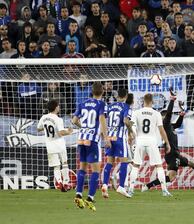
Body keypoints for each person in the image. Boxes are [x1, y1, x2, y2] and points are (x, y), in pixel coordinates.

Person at [142, 89, 194, 192]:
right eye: (164, 116)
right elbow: (168, 114)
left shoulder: (170, 126)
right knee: (171, 177)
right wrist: (172, 100)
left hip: (175, 154)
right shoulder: (165, 124)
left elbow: (177, 124)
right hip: (172, 154)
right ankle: (148, 186)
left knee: (192, 163)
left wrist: (181, 114)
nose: (166, 117)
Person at [72, 82, 111, 211]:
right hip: (92, 140)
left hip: (81, 139)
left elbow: (74, 120)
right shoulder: (101, 104)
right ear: (103, 92)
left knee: (82, 168)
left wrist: (84, 128)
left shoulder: (82, 103)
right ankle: (90, 198)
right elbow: (102, 120)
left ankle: (78, 195)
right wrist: (106, 138)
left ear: (91, 91)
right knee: (95, 170)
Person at [128, 93, 172, 197]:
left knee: (136, 165)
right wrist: (167, 143)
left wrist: (130, 137)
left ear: (143, 101)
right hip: (152, 141)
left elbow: (131, 127)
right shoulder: (156, 113)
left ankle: (130, 190)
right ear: (152, 102)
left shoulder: (136, 112)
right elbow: (161, 130)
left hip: (140, 140)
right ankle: (164, 190)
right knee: (159, 166)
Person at [101, 89, 133, 198]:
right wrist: (131, 131)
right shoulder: (126, 107)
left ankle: (105, 184)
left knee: (110, 162)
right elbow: (125, 121)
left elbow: (103, 121)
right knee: (125, 161)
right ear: (126, 96)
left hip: (110, 137)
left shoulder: (110, 106)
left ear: (117, 95)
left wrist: (104, 137)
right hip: (119, 138)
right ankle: (121, 187)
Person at [37, 100, 73, 192]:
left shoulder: (44, 117)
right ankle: (65, 183)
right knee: (64, 164)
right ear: (56, 107)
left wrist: (45, 128)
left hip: (50, 145)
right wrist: (68, 132)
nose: (59, 107)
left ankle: (59, 182)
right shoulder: (58, 119)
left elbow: (38, 128)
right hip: (60, 144)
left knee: (56, 166)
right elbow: (61, 132)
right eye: (58, 106)